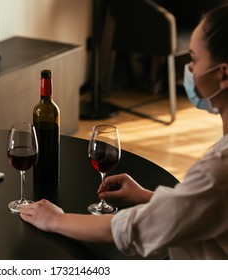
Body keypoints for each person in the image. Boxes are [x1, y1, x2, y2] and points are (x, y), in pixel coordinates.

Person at [19, 3, 228, 260]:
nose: (190, 70)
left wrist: (55, 220)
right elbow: (202, 207)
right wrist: (145, 196)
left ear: (223, 74)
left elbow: (131, 229)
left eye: (194, 59)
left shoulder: (219, 169)